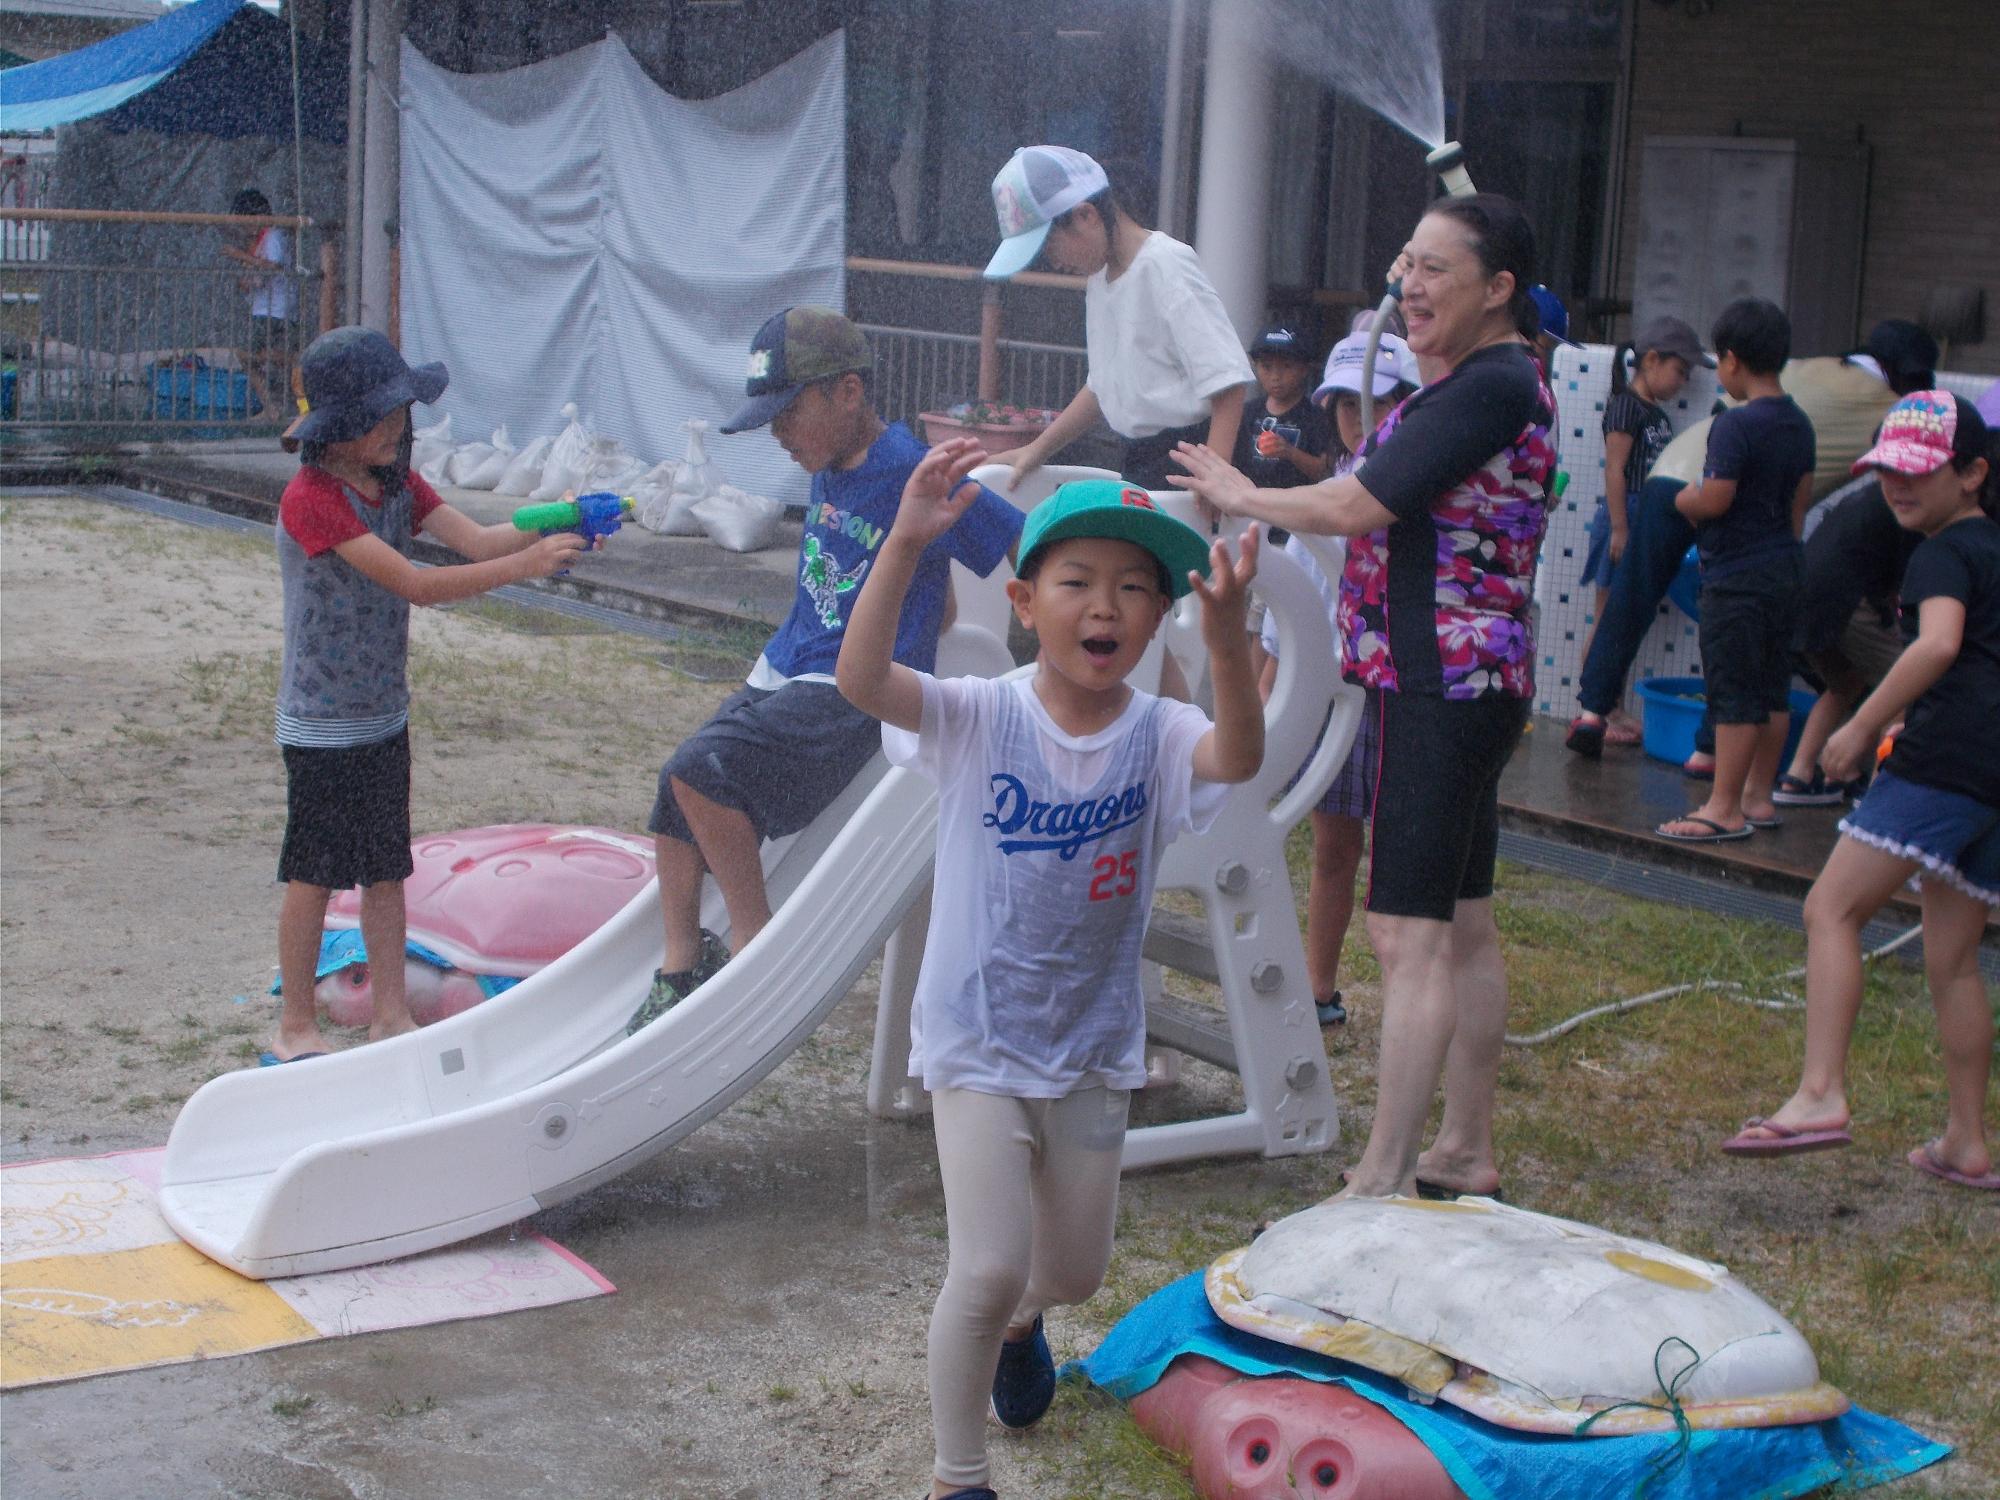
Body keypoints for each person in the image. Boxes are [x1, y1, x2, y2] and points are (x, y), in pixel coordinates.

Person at [837, 465, 1262, 1500]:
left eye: (1131, 586)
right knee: (982, 1267)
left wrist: (1224, 645)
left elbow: (1238, 755)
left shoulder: (1159, 735)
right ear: (1024, 605)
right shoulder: (981, 717)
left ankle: (1030, 1320)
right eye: (1075, 580)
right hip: (975, 1037)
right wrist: (903, 544)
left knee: (1069, 1271)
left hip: (1090, 1041)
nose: (1104, 605)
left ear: (1158, 615)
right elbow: (862, 682)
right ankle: (957, 1475)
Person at [1172, 192, 1557, 1202]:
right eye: (1404, 261)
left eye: (1434, 268)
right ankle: (1462, 1150)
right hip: (1462, 680)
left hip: (1445, 682)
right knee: (1460, 921)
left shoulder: (1490, 385)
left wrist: (1238, 491)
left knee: (1405, 933)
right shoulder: (1482, 382)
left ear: (1498, 288)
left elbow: (1355, 504)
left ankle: (1380, 1177)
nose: (1407, 284)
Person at [632, 307, 1023, 1028]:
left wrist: (1062, 613)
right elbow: (916, 588)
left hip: (850, 686)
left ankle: (755, 944)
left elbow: (1014, 539)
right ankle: (681, 963)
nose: (779, 433)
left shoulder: (911, 470)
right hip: (785, 664)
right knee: (674, 790)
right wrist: (931, 609)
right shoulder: (828, 464)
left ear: (849, 392)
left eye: (789, 413)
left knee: (702, 771)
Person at [269, 327, 588, 1063]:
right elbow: (418, 585)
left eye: (398, 414)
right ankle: (295, 1025)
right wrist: (528, 566)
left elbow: (476, 542)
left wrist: (555, 521)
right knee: (313, 874)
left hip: (383, 713)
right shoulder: (313, 500)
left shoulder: (397, 484)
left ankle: (389, 1016)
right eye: (378, 416)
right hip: (321, 724)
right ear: (335, 429)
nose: (394, 427)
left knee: (386, 869)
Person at [1722, 392, 1998, 1193]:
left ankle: (1819, 1093)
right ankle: (1966, 1143)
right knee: (1952, 961)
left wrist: (1859, 724)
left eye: (1919, 473)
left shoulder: (1941, 556)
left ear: (1973, 473)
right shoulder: (1991, 550)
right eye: (1888, 474)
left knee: (1830, 910)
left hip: (1942, 763)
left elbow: (1939, 645)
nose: (1898, 490)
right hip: (1988, 774)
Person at [1573, 319, 1912, 778]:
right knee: (1729, 631)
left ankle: (1592, 713)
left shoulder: (1809, 369)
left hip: (1670, 473)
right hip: (1722, 501)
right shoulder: (1894, 409)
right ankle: (1708, 752)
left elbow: (1723, 412)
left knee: (1632, 597)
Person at [1254, 329, 1414, 1027]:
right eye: (1346, 403)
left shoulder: (1423, 494)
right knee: (1334, 844)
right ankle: (1317, 987)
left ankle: (1412, 989)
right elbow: (1285, 618)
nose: (1360, 416)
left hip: (1405, 690)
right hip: (1334, 693)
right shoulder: (1322, 499)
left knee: (1407, 854)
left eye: (1377, 401)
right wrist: (1262, 703)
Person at [982, 145, 1249, 492]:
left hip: (1191, 459)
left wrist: (1216, 477)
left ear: (1086, 216)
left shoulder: (1165, 265)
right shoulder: (1101, 280)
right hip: (1139, 457)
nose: (1052, 263)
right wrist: (1036, 450)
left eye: (1049, 247)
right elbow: (1103, 385)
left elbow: (1227, 381)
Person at [1657, 299, 1817, 843]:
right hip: (1784, 568)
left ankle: (1722, 807)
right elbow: (1800, 504)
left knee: (1731, 692)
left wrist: (1685, 502)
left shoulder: (1735, 424)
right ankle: (1757, 797)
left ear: (1730, 361)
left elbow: (1717, 498)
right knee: (1773, 690)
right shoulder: (1799, 424)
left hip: (1737, 577)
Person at [1565, 315, 1704, 755]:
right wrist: (1621, 527)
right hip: (1626, 517)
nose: (1682, 382)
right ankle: (1601, 706)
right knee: (1608, 620)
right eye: (1679, 370)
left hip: (1647, 519)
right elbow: (1614, 470)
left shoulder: (1653, 413)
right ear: (1651, 360)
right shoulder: (1625, 406)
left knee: (1622, 619)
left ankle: (1607, 705)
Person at [1772, 474, 1919, 804]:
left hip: (1805, 599)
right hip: (1845, 603)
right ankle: (1878, 790)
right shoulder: (1906, 503)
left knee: (1844, 684)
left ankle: (1799, 776)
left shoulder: (1867, 496)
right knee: (1906, 686)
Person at [223, 188, 297, 416]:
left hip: (274, 309)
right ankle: (271, 407)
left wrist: (239, 256)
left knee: (246, 353)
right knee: (248, 355)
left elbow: (273, 267)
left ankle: (297, 362)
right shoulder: (260, 240)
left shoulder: (273, 236)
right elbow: (260, 277)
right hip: (265, 308)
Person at [1234, 323, 1331, 491]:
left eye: (1286, 366)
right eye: (1266, 367)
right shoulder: (1247, 413)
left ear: (1304, 369)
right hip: (1251, 503)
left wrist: (1290, 453)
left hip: (1297, 507)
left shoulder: (1316, 417)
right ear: (1255, 366)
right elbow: (1233, 463)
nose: (1275, 376)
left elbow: (1325, 472)